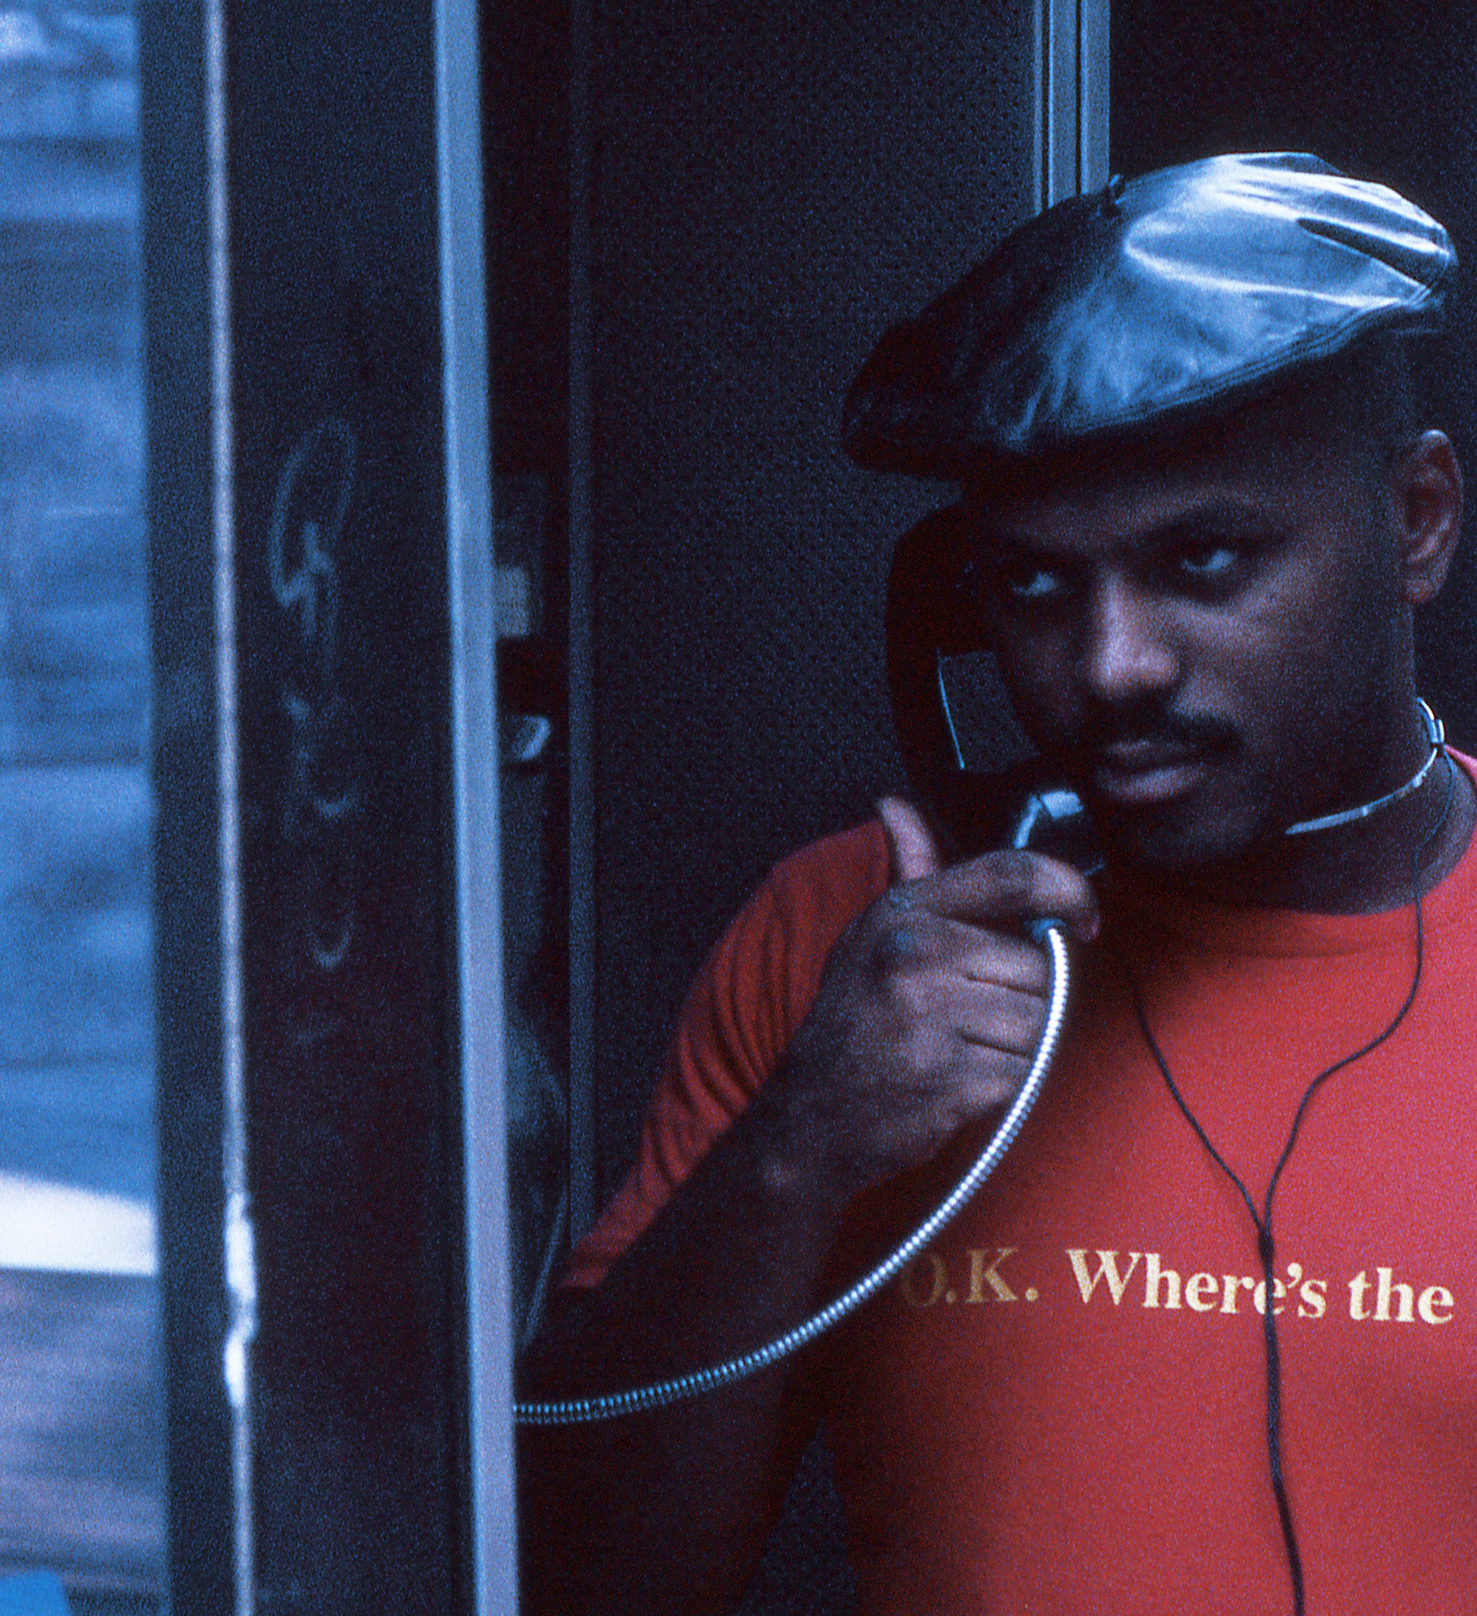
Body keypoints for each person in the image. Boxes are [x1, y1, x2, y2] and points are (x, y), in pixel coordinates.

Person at [519, 154, 1477, 1613]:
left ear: (1416, 520)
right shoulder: (849, 945)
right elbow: (574, 1577)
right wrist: (800, 1147)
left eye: (1204, 559)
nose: (1111, 667)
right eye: (1033, 582)